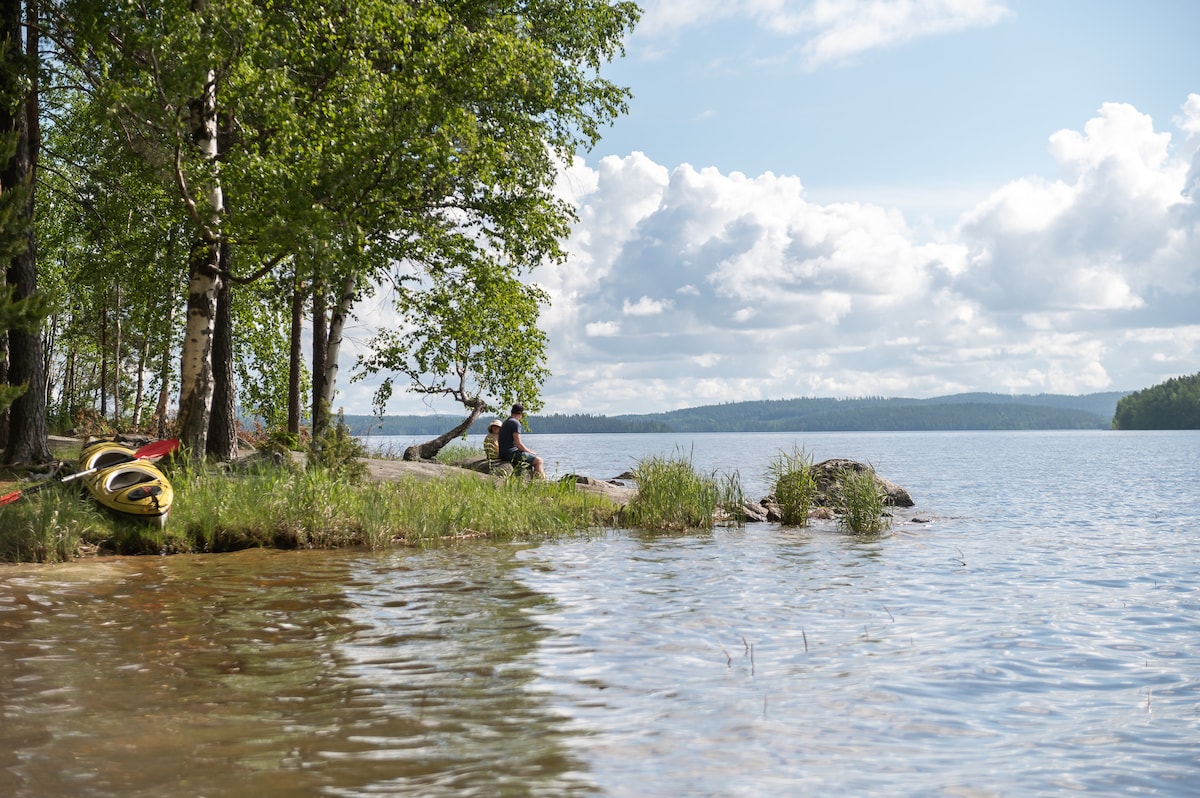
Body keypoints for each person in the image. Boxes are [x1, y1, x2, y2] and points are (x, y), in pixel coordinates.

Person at [498, 403, 545, 478]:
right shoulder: (515, 423)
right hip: (510, 454)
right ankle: (541, 483)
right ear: (521, 413)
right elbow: (518, 444)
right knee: (539, 461)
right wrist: (529, 451)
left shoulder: (506, 422)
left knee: (529, 462)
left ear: (512, 412)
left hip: (503, 454)